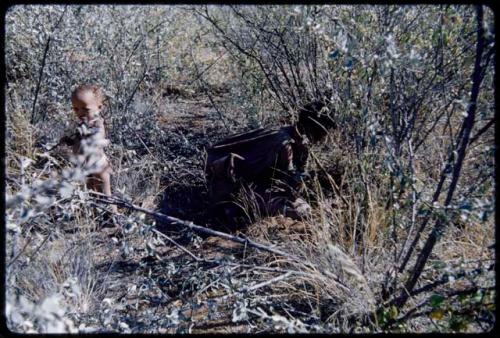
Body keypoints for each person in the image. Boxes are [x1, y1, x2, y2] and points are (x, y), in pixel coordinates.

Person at [205, 99, 336, 226]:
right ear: (313, 127)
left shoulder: (296, 139)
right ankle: (233, 207)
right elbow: (289, 184)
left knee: (304, 209)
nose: (325, 135)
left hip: (259, 183)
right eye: (324, 130)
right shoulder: (284, 143)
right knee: (299, 212)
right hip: (239, 185)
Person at [60, 84, 117, 214]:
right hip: (86, 168)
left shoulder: (97, 122)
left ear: (99, 108)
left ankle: (115, 218)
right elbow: (78, 140)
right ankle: (98, 217)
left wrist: (89, 135)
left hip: (100, 167)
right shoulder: (82, 124)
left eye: (85, 109)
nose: (80, 113)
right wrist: (69, 140)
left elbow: (99, 137)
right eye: (76, 109)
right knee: (92, 193)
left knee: (106, 196)